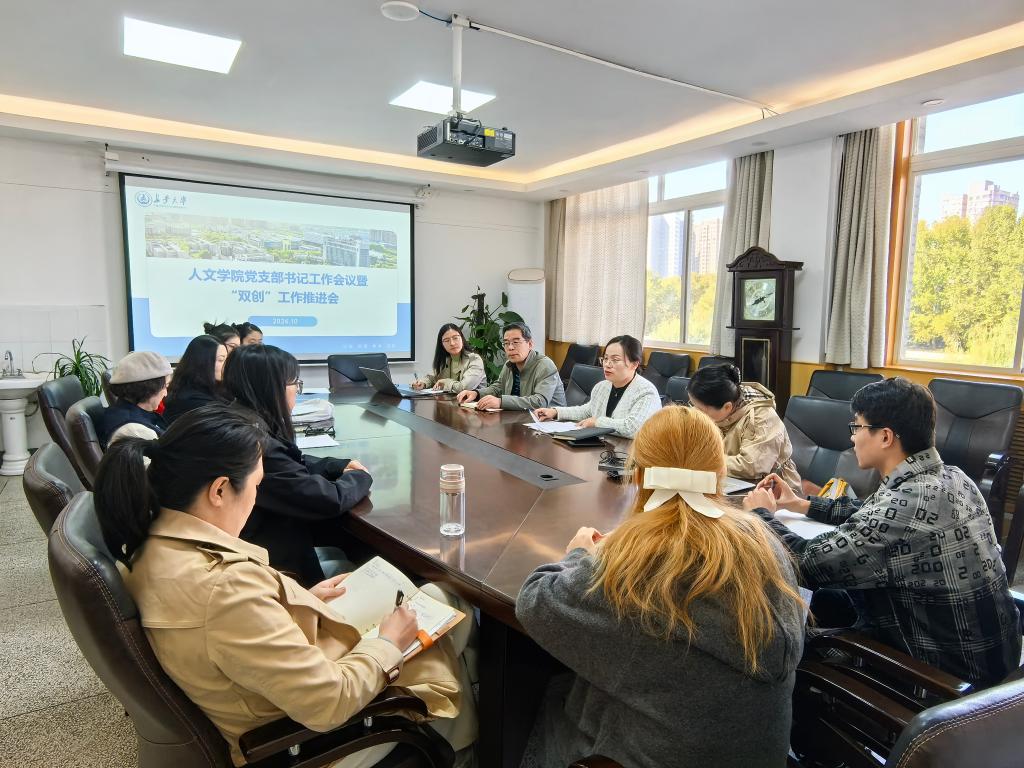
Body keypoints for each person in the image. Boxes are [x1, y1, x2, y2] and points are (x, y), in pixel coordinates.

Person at [93, 404, 473, 768]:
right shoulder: (224, 589)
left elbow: (231, 630)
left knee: (436, 601)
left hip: (276, 688)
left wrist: (299, 600)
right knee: (447, 612)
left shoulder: (151, 544)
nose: (257, 496)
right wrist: (388, 643)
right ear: (220, 490)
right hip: (308, 740)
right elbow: (329, 702)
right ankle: (462, 750)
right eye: (256, 485)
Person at [516, 407, 805, 768]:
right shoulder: (765, 544)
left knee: (548, 694)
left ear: (638, 477)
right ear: (720, 476)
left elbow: (535, 601)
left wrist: (579, 554)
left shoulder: (631, 565)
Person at [744, 377, 1021, 687]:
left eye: (857, 427)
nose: (852, 438)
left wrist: (760, 516)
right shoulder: (952, 477)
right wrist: (802, 504)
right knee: (824, 601)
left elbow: (805, 564)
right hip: (989, 661)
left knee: (777, 635)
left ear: (886, 436)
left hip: (940, 682)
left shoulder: (905, 504)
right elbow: (872, 512)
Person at [222, 344, 372, 586]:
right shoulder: (255, 443)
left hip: (264, 549)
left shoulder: (240, 417)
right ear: (273, 387)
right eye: (295, 383)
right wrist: (362, 476)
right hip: (276, 571)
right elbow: (327, 499)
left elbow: (290, 463)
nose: (297, 391)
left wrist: (335, 466)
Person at [687, 364, 801, 489]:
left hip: (772, 487)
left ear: (727, 407)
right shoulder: (718, 407)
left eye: (700, 409)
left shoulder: (761, 418)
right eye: (692, 405)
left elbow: (751, 466)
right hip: (728, 479)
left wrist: (704, 460)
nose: (695, 413)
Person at [534, 335, 659, 438]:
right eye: (605, 358)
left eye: (615, 360)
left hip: (633, 453)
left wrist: (597, 422)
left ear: (634, 364)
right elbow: (587, 411)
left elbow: (632, 428)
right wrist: (555, 412)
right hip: (605, 447)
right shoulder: (602, 387)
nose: (607, 364)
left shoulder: (646, 392)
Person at [456, 322, 565, 411]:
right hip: (521, 419)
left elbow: (540, 402)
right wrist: (476, 393)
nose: (510, 347)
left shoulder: (545, 366)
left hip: (550, 423)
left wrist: (500, 402)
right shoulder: (509, 364)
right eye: (506, 343)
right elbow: (498, 387)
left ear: (530, 344)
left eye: (515, 342)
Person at [96, 351, 171, 449]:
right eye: (165, 386)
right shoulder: (135, 430)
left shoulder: (121, 411)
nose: (166, 393)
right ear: (149, 388)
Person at [163, 334, 227, 424]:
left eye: (226, 359)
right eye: (221, 360)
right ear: (202, 362)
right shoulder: (192, 401)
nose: (226, 365)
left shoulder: (215, 390)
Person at [411, 324, 485, 394]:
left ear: (462, 339)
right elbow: (432, 378)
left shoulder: (474, 360)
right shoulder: (445, 360)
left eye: (455, 338)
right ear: (442, 345)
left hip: (473, 402)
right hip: (451, 401)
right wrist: (423, 383)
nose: (452, 343)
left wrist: (445, 382)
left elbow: (464, 387)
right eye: (446, 340)